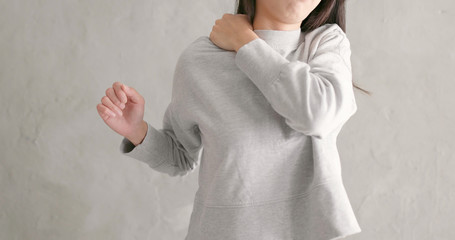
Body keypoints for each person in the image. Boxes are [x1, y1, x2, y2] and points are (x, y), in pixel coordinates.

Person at [97, 0, 368, 239]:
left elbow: (318, 115)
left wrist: (246, 43)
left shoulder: (326, 45)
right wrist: (137, 130)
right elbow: (180, 156)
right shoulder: (200, 61)